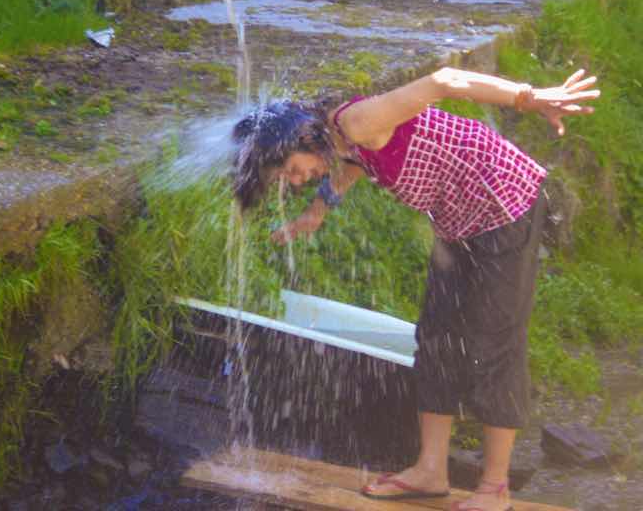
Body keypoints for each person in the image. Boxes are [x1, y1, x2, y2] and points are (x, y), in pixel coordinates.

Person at [230, 67, 599, 511]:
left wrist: (529, 96)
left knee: (494, 341)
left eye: (291, 170)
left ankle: (495, 488)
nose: (295, 180)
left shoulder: (359, 121)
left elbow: (443, 80)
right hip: (455, 217)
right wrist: (318, 211)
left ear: (302, 141)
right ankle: (430, 470)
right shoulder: (340, 143)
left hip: (505, 204)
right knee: (436, 338)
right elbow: (351, 166)